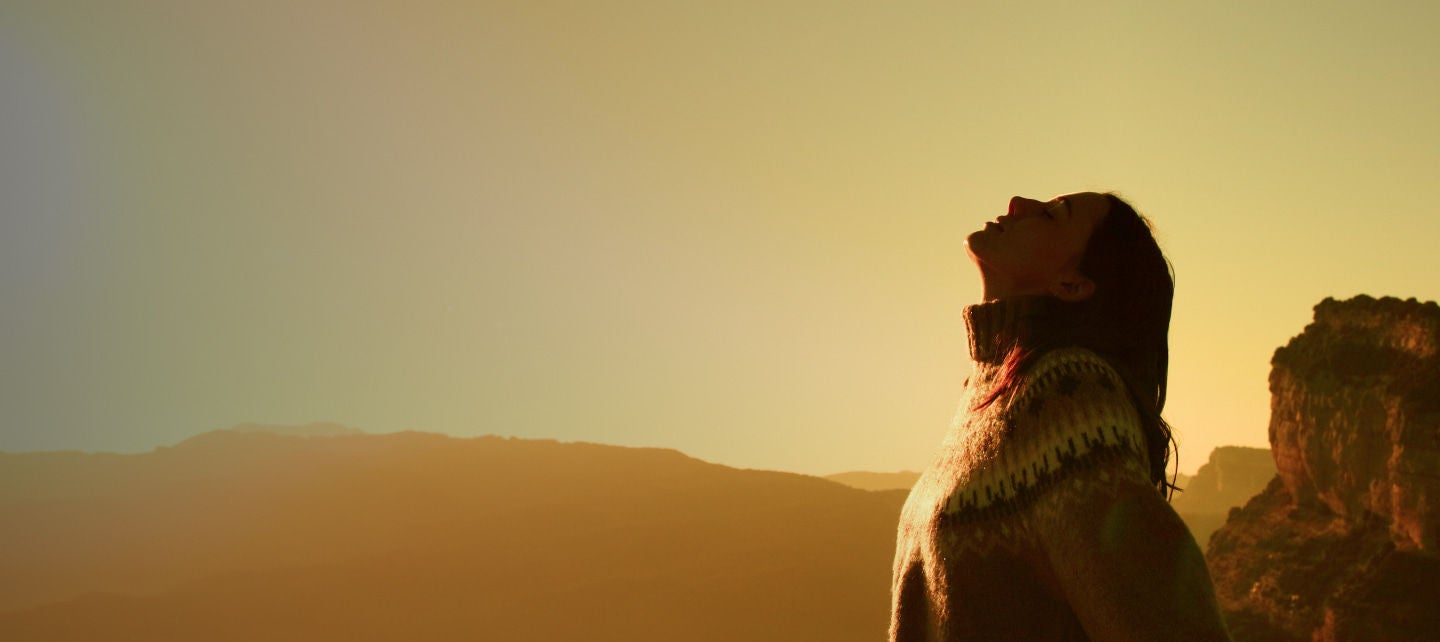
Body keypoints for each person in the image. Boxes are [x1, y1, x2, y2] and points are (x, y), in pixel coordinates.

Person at [889, 192, 1232, 641]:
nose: (1017, 202)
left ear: (1072, 284)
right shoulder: (988, 392)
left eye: (1052, 215)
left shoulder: (1069, 396)